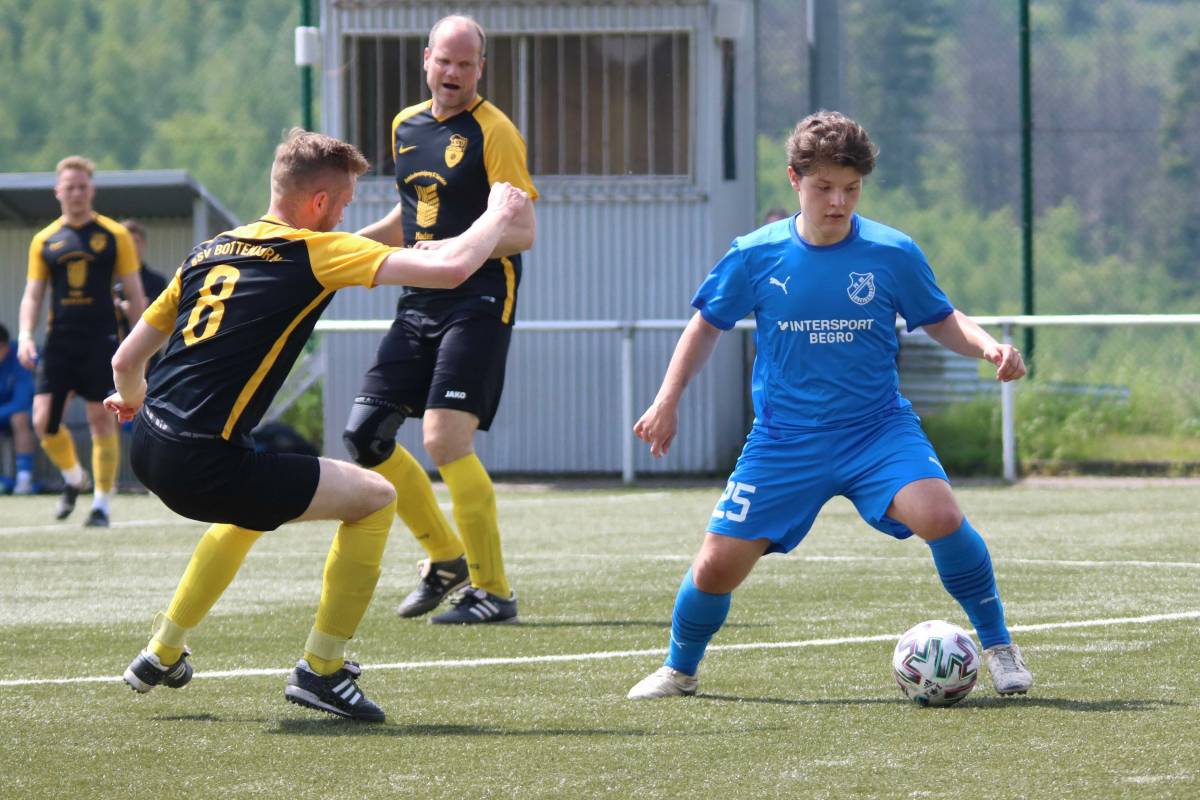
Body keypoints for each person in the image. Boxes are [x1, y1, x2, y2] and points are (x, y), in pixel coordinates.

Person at [106, 128, 528, 722]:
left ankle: (163, 650)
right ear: (321, 203)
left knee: (249, 510)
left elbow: (126, 362)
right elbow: (457, 268)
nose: (346, 215)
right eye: (346, 203)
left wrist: (132, 399)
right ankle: (323, 671)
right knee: (376, 498)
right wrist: (497, 212)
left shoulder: (209, 251)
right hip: (204, 461)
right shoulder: (316, 252)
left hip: (149, 444)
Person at [626, 111, 1033, 700]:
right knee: (715, 566)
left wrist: (989, 345)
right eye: (824, 188)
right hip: (784, 440)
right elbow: (705, 326)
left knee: (939, 513)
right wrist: (667, 401)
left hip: (876, 431)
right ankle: (679, 669)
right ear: (795, 179)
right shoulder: (754, 254)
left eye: (851, 188)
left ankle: (998, 647)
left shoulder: (892, 252)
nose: (838, 201)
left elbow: (942, 319)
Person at [344, 14, 538, 625]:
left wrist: (457, 249)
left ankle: (495, 591)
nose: (453, 73)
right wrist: (344, 249)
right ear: (426, 59)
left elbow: (523, 230)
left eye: (465, 64)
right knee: (365, 433)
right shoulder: (405, 125)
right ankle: (446, 559)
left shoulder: (495, 132)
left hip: (479, 295)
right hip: (419, 297)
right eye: (444, 61)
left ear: (481, 68)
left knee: (444, 438)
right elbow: (408, 221)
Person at [17, 156, 147, 526]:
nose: (75, 193)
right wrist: (26, 334)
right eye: (69, 187)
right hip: (59, 342)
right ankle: (76, 478)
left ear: (92, 190)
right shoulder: (44, 240)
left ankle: (101, 504)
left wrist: (142, 346)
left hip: (101, 340)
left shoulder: (113, 235)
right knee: (44, 422)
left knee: (100, 419)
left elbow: (136, 295)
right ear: (58, 192)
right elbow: (33, 293)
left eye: (82, 187)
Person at [0, 323, 37, 495]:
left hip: (19, 413)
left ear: (4, 346)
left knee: (19, 417)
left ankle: (24, 480)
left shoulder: (20, 358)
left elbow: (21, 402)